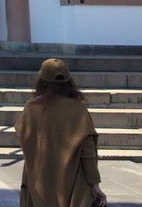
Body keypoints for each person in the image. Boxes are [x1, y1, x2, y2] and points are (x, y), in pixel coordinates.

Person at [15, 58, 107, 207]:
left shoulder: (31, 109)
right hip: (72, 184)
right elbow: (87, 152)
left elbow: (26, 142)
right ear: (69, 82)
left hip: (39, 183)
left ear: (41, 81)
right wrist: (95, 185)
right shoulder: (78, 110)